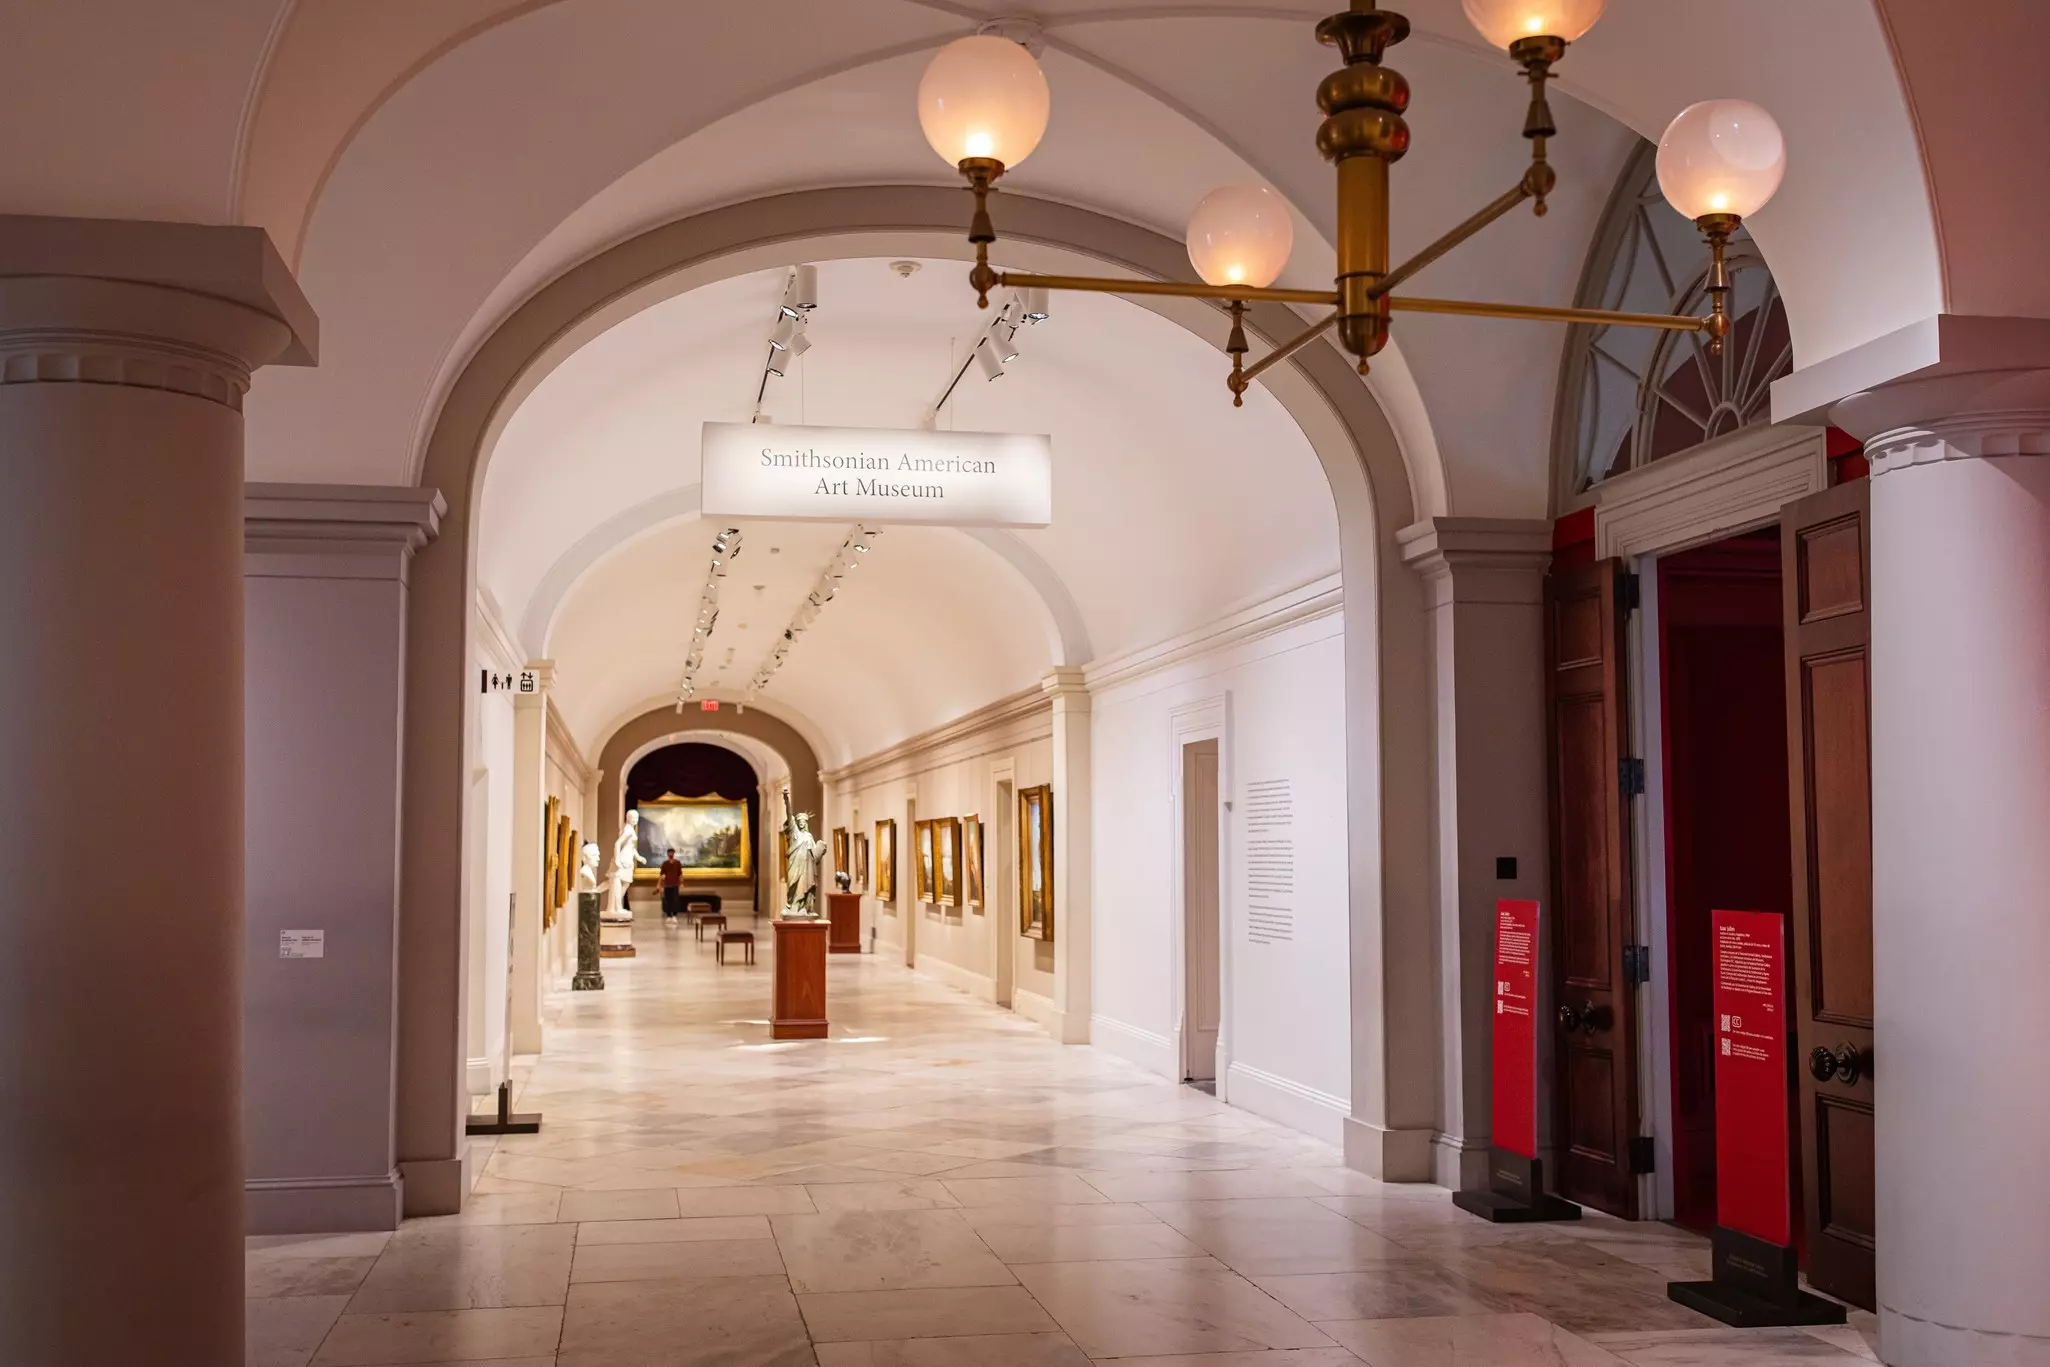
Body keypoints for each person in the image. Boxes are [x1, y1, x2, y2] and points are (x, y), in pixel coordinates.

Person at [659, 847, 684, 922]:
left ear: (674, 853)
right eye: (669, 853)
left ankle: (675, 915)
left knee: (675, 900)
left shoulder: (677, 863)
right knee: (667, 900)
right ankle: (669, 915)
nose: (670, 854)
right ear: (667, 854)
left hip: (675, 885)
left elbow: (680, 874)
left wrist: (681, 883)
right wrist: (660, 885)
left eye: (672, 852)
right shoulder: (665, 863)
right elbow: (661, 875)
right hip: (667, 885)